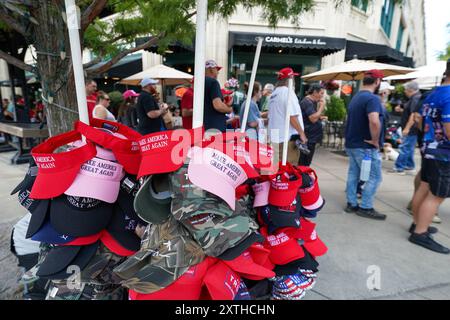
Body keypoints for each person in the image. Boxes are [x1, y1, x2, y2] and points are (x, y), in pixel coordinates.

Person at [409, 60, 450, 254]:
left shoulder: (433, 93)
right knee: (437, 195)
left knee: (424, 188)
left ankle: (417, 224)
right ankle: (420, 232)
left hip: (428, 148)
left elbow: (419, 122)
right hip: (443, 154)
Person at [344, 69, 386, 220]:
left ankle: (352, 203)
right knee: (375, 177)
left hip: (352, 143)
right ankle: (366, 206)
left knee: (353, 174)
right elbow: (374, 121)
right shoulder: (372, 99)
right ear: (377, 81)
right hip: (365, 146)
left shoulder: (356, 97)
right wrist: (375, 140)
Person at [268, 67, 306, 162]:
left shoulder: (273, 94)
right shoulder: (288, 93)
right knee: (289, 170)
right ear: (290, 79)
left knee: (276, 170)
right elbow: (292, 116)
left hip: (275, 138)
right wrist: (302, 134)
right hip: (287, 139)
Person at [389, 81, 421, 175]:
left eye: (406, 90)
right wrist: (402, 110)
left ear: (410, 90)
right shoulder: (414, 98)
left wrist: (407, 128)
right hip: (412, 128)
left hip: (411, 128)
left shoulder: (415, 98)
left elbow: (413, 114)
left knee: (404, 147)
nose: (405, 92)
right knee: (409, 147)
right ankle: (409, 165)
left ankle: (399, 167)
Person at [298, 84, 327, 166]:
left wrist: (319, 117)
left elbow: (312, 116)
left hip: (311, 137)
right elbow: (313, 119)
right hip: (308, 138)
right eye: (321, 93)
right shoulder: (307, 102)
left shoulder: (312, 102)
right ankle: (303, 178)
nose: (322, 96)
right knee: (305, 163)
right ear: (314, 92)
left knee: (306, 162)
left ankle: (304, 177)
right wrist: (322, 107)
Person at [203, 59, 233, 132]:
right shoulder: (213, 82)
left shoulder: (198, 82)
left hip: (204, 126)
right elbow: (218, 106)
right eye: (217, 69)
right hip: (215, 127)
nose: (218, 72)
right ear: (211, 69)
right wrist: (229, 110)